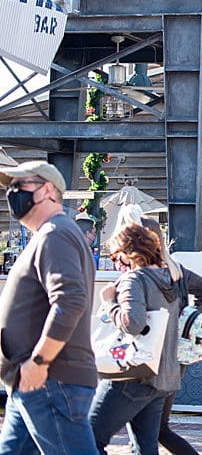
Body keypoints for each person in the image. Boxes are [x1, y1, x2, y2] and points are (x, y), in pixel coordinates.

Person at [0, 161, 98, 455]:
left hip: (49, 379)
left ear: (47, 191)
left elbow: (69, 299)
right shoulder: (50, 234)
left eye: (20, 186)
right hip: (32, 381)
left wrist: (40, 362)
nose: (12, 193)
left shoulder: (55, 233)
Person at [90, 223, 182, 455]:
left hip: (130, 375)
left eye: (117, 254)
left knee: (87, 439)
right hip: (159, 377)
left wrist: (109, 302)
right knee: (145, 448)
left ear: (128, 251)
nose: (117, 260)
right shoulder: (168, 277)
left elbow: (134, 323)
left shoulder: (135, 279)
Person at [138, 216, 202, 455]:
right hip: (176, 355)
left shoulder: (145, 275)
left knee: (148, 428)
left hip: (152, 356)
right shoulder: (176, 270)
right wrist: (188, 319)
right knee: (158, 428)